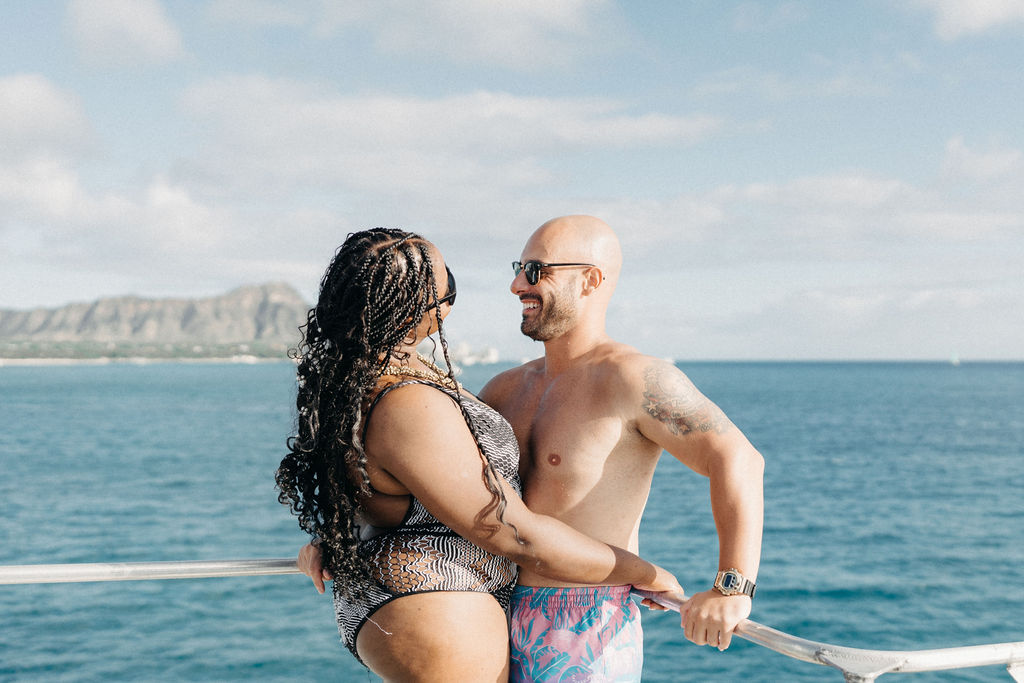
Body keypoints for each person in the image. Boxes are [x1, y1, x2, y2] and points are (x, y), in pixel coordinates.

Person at [276, 227, 682, 682]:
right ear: (422, 304)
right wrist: (640, 570)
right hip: (437, 607)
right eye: (446, 276)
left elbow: (387, 491)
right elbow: (514, 534)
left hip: (408, 599)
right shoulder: (408, 402)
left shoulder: (364, 383)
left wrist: (337, 538)